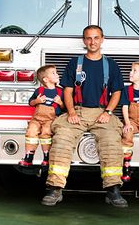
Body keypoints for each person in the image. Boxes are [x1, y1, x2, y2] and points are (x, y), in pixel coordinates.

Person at [41, 25, 128, 208]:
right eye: (89, 38)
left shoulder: (111, 65)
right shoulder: (75, 63)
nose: (92, 42)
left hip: (101, 113)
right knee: (62, 139)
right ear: (84, 41)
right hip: (77, 112)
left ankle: (113, 190)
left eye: (96, 38)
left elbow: (117, 93)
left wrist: (108, 113)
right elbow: (68, 91)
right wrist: (71, 112)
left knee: (111, 141)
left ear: (102, 39)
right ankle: (55, 189)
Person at [18, 65, 64, 169]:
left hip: (50, 119)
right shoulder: (39, 91)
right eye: (54, 73)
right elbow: (31, 102)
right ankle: (28, 158)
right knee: (31, 132)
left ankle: (46, 158)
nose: (57, 75)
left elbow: (64, 107)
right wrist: (37, 101)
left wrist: (60, 102)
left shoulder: (60, 92)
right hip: (36, 119)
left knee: (46, 134)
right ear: (45, 79)